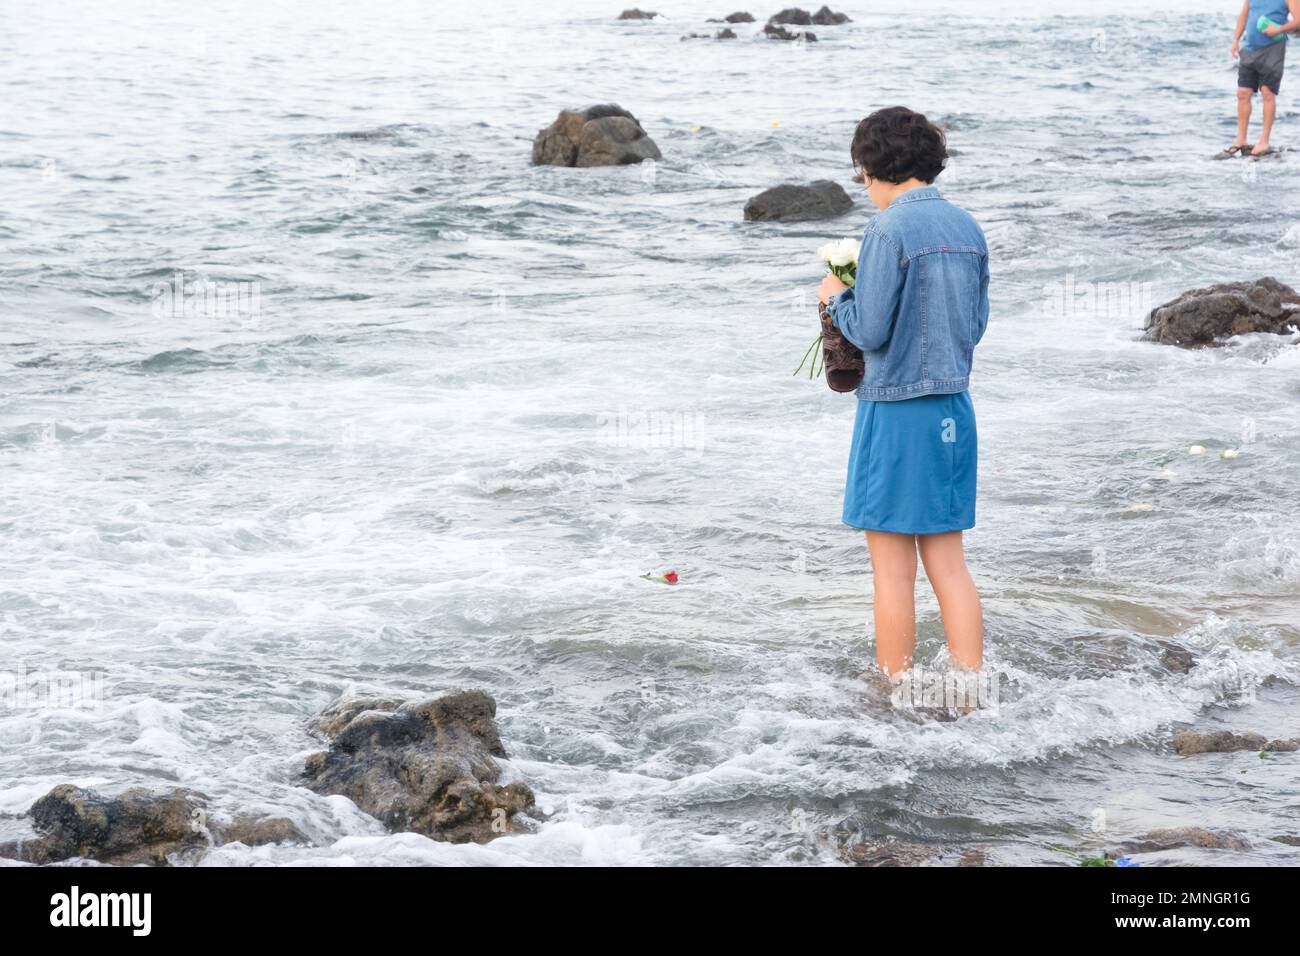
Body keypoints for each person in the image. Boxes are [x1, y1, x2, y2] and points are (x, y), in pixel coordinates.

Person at [817, 106, 989, 681]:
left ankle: (897, 692)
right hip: (953, 410)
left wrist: (835, 297)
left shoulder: (888, 229)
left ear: (871, 166)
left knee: (892, 572)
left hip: (895, 412)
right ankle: (971, 686)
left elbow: (867, 330)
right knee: (950, 563)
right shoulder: (967, 227)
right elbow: (976, 324)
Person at [1220, 0, 1300, 158]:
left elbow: (1298, 21)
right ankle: (1241, 140)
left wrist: (1278, 29)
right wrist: (1235, 40)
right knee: (1243, 93)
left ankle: (1264, 141)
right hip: (1249, 48)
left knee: (1267, 93)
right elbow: (1244, 15)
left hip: (1273, 49)